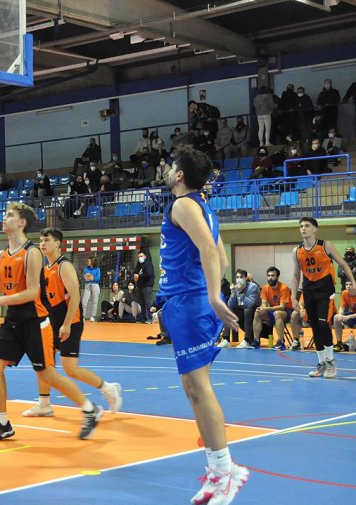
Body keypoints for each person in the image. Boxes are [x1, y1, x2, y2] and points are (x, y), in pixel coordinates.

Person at [0, 203, 103, 443]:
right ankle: (2, 423)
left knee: (47, 374)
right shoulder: (2, 254)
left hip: (35, 320)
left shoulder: (32, 253)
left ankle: (90, 408)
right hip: (12, 321)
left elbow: (32, 293)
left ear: (22, 223)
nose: (4, 218)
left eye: (10, 215)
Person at [157, 145, 247, 504]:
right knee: (194, 387)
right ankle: (218, 468)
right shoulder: (203, 208)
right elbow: (221, 257)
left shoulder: (183, 205)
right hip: (186, 301)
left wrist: (210, 296)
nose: (167, 170)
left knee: (198, 387)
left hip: (191, 303)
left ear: (180, 174)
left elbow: (211, 253)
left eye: (171, 166)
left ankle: (226, 472)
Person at [21, 227, 122, 418]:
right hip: (52, 321)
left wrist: (66, 324)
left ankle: (108, 388)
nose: (42, 244)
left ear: (58, 243)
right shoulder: (45, 268)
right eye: (41, 240)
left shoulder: (63, 265)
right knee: (43, 363)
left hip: (70, 321)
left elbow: (75, 296)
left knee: (70, 368)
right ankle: (44, 404)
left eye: (47, 240)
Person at [292, 217, 356, 378]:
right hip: (308, 291)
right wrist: (294, 296)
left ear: (315, 229)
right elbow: (295, 275)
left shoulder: (325, 246)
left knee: (322, 324)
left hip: (325, 291)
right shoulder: (297, 250)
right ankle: (321, 363)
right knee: (313, 326)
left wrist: (353, 281)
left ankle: (331, 361)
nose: (303, 229)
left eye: (307, 226)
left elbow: (343, 264)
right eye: (301, 226)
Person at [252, 267, 293, 350]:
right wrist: (261, 308)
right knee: (257, 313)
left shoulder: (284, 288)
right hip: (272, 311)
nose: (270, 277)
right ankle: (256, 340)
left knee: (277, 313)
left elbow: (282, 307)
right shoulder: (265, 288)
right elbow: (263, 304)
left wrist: (266, 309)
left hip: (286, 313)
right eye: (268, 275)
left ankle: (280, 342)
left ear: (277, 277)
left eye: (273, 275)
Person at [226, 269, 261, 348]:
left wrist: (241, 292)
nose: (239, 279)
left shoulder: (253, 287)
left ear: (246, 278)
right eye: (237, 277)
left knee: (247, 310)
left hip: (254, 312)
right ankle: (226, 339)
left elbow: (249, 305)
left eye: (241, 277)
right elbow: (230, 305)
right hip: (242, 311)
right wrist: (233, 293)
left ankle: (247, 340)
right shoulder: (236, 287)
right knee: (228, 310)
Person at [332, 280, 356, 352]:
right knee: (336, 317)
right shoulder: (344, 293)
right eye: (347, 284)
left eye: (350, 284)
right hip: (352, 315)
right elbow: (342, 308)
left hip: (352, 316)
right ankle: (339, 343)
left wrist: (347, 317)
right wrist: (340, 315)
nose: (348, 286)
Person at [134, 251, 154, 323]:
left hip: (147, 286)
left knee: (147, 302)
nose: (140, 258)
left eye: (141, 256)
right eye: (139, 257)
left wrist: (139, 276)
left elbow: (149, 274)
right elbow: (135, 272)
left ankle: (150, 318)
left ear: (145, 257)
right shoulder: (138, 264)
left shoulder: (148, 264)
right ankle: (143, 318)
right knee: (142, 303)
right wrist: (135, 276)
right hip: (140, 286)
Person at [82, 257, 100, 322]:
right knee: (84, 301)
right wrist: (89, 277)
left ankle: (92, 316)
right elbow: (85, 278)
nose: (87, 262)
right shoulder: (86, 269)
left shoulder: (97, 269)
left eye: (89, 261)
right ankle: (83, 316)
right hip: (87, 285)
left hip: (95, 285)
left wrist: (92, 277)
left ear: (92, 262)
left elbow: (97, 278)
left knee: (95, 300)